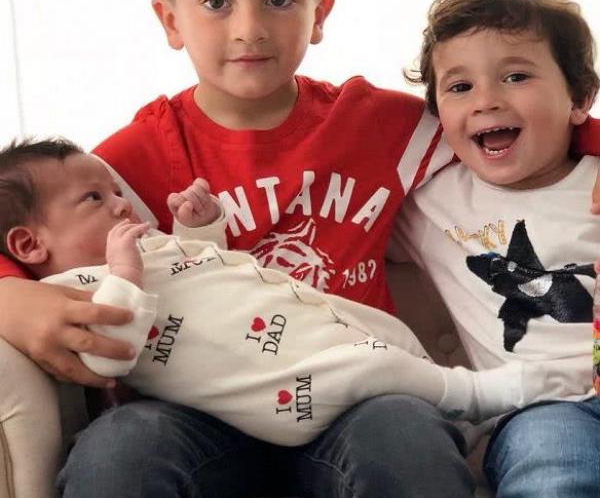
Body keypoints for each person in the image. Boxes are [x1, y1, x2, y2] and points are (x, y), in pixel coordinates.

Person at [0, 0, 599, 496]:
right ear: (170, 20)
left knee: (407, 437)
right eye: (216, 2)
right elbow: (27, 220)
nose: (249, 28)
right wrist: (8, 293)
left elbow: (513, 124)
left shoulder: (382, 127)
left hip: (358, 403)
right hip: (195, 415)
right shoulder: (129, 161)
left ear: (319, 12)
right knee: (119, 448)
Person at [2, 138, 573, 449]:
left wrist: (198, 229)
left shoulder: (141, 248)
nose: (122, 203)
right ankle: (475, 394)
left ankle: (460, 422)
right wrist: (124, 275)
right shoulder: (71, 290)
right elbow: (105, 354)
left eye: (114, 191)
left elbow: (198, 277)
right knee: (367, 366)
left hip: (290, 345)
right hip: (284, 397)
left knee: (384, 342)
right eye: (94, 200)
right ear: (29, 244)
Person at [394, 0, 600, 496]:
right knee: (554, 475)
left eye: (515, 76)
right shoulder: (430, 204)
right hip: (542, 410)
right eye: (460, 87)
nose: (486, 100)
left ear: (579, 97)